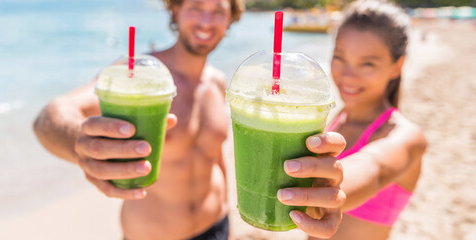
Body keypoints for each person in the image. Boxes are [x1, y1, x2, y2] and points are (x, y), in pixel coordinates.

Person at [33, 0, 347, 239]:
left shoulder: (222, 83)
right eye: (196, 7)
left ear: (231, 18)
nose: (207, 21)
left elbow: (217, 159)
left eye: (218, 10)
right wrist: (82, 144)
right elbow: (50, 116)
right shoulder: (142, 78)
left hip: (218, 227)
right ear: (176, 10)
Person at [312, 1, 428, 239]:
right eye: (339, 57)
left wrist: (330, 194)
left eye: (367, 63)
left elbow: (373, 169)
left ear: (397, 66)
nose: (347, 75)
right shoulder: (337, 119)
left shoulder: (406, 137)